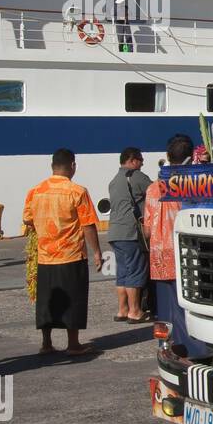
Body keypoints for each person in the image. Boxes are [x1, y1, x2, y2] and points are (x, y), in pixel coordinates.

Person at [23, 149, 102, 356]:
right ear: (73, 165)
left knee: (46, 300)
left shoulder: (35, 191)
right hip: (71, 254)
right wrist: (96, 252)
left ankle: (46, 343)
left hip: (45, 255)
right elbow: (88, 225)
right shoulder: (77, 191)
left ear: (52, 166)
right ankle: (73, 344)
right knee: (73, 298)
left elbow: (27, 219)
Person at [144, 134, 209, 358]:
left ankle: (166, 346)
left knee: (165, 307)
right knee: (188, 304)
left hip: (158, 254)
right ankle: (193, 349)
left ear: (167, 156)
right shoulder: (191, 185)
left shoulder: (153, 188)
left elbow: (146, 229)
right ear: (190, 157)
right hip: (184, 253)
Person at [107, 146, 152, 323]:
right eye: (140, 159)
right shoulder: (136, 177)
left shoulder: (114, 180)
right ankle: (135, 311)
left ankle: (122, 309)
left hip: (114, 232)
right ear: (132, 160)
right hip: (130, 232)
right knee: (135, 270)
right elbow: (157, 192)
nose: (142, 163)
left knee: (122, 272)